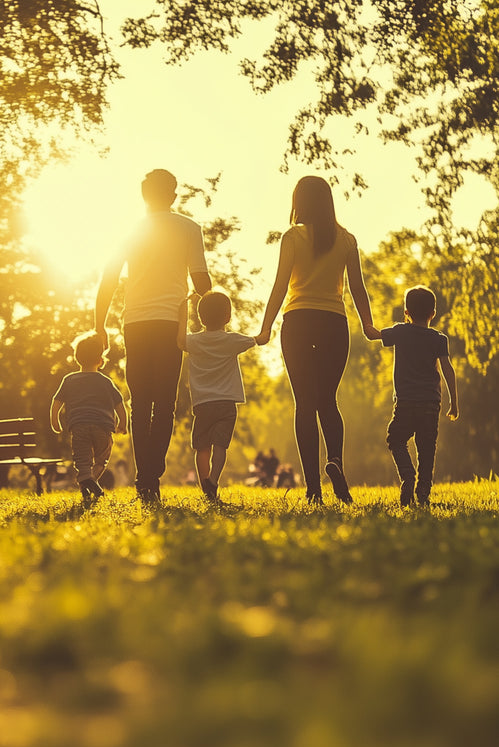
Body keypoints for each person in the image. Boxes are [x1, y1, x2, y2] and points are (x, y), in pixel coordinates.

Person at [94, 169, 211, 504]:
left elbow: (109, 279)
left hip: (136, 324)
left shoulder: (129, 231)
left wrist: (99, 324)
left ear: (143, 194)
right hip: (170, 325)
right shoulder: (189, 228)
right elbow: (202, 282)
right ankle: (149, 474)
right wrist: (205, 305)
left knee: (140, 402)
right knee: (165, 404)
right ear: (173, 196)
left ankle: (145, 476)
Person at [258, 175, 377, 504]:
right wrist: (368, 324)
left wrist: (265, 326)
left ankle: (313, 488)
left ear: (299, 202)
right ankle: (335, 462)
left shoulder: (292, 237)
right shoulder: (347, 239)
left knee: (305, 405)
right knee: (328, 401)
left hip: (298, 322)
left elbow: (280, 285)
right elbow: (357, 288)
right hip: (334, 323)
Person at [369, 285, 458, 506]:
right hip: (431, 403)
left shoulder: (400, 331)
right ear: (433, 313)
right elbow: (448, 369)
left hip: (406, 401)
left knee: (396, 439)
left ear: (406, 312)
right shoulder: (439, 339)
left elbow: (373, 335)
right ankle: (423, 495)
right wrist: (454, 403)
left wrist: (365, 322)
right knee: (427, 449)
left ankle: (407, 475)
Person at [177, 290, 266, 500]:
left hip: (202, 404)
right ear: (228, 316)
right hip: (226, 404)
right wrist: (267, 327)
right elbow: (260, 339)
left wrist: (183, 310)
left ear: (200, 317)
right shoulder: (232, 341)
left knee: (201, 447)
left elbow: (179, 341)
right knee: (220, 446)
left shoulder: (194, 342)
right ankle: (214, 481)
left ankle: (204, 486)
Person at [50, 332, 127, 501]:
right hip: (103, 427)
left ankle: (86, 481)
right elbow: (119, 404)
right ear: (100, 361)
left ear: (77, 359)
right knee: (101, 459)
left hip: (79, 426)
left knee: (82, 459)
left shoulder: (69, 379)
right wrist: (123, 423)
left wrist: (55, 421)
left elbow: (56, 402)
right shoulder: (105, 381)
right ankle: (90, 482)